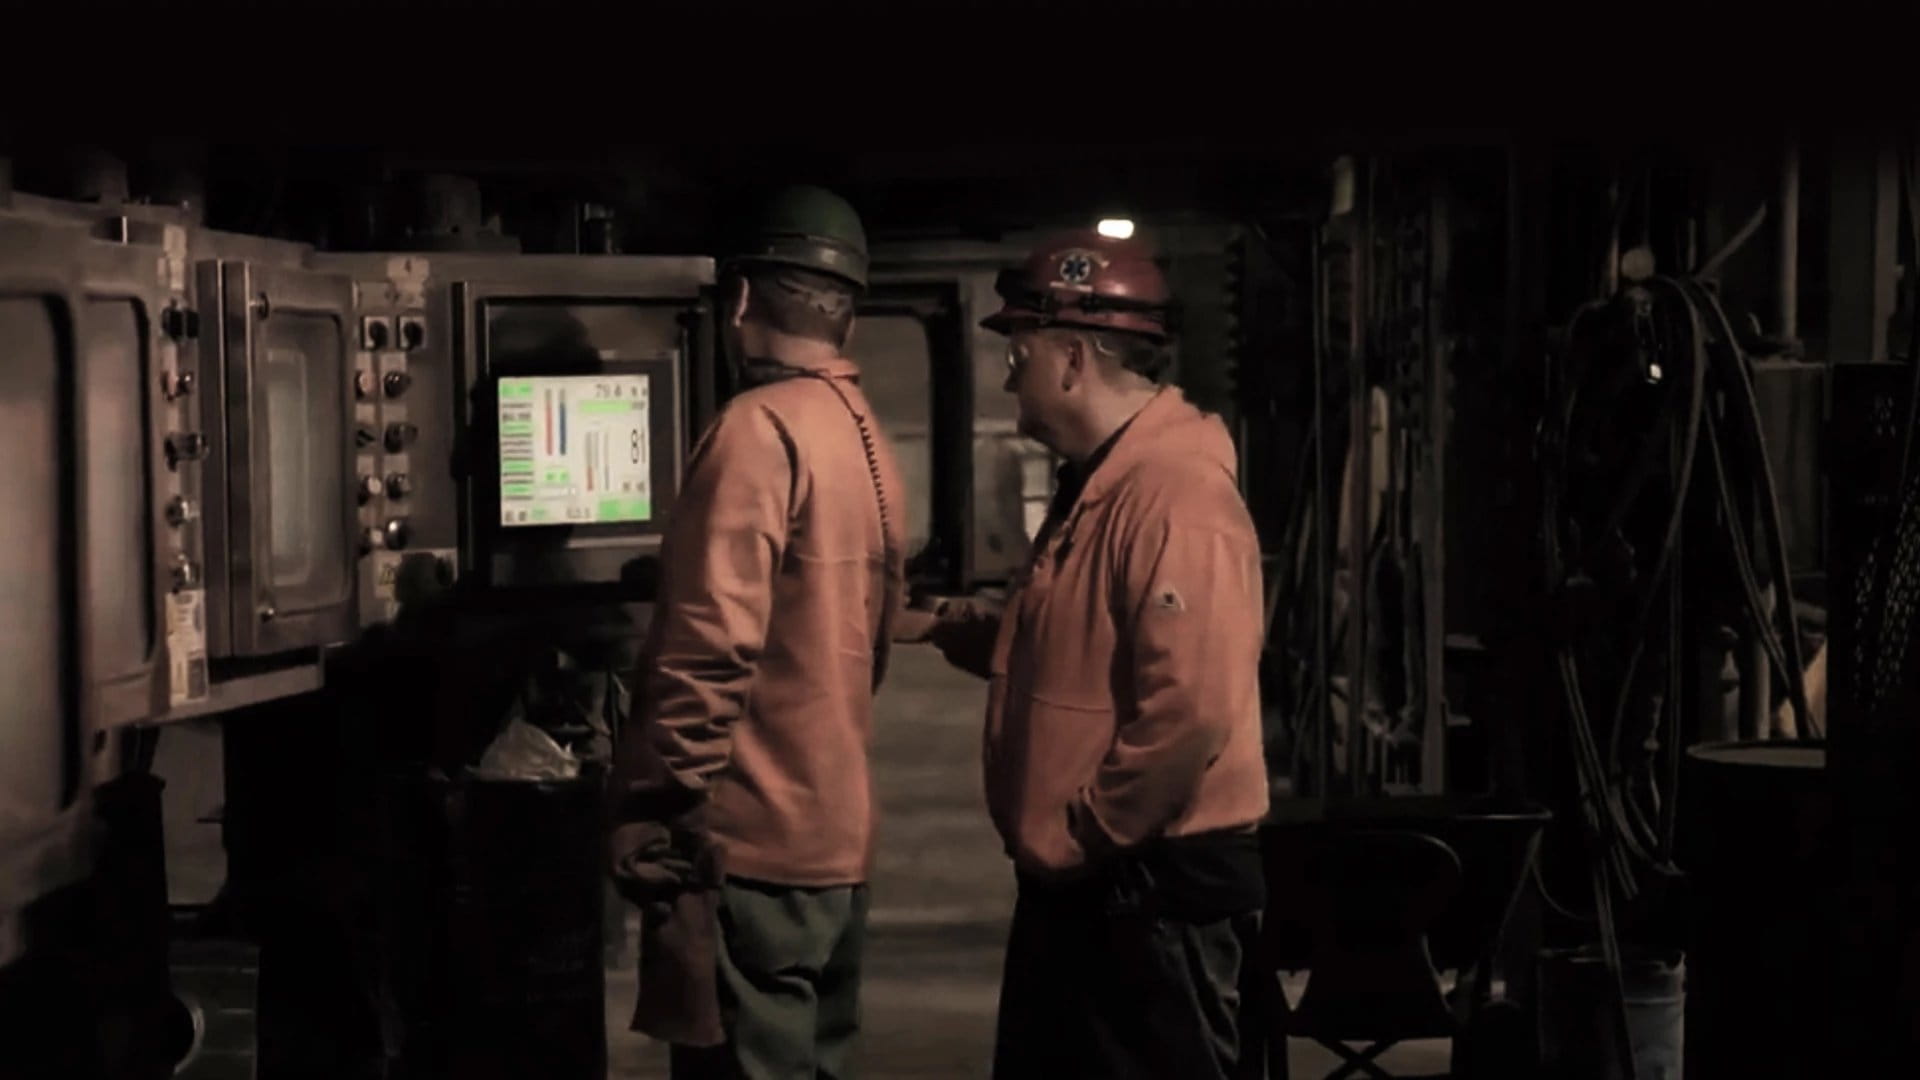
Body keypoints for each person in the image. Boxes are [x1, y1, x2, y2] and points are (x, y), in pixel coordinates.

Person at [897, 229, 1271, 1079]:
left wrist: (1085, 832)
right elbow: (1073, 644)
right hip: (1092, 886)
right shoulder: (1097, 488)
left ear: (1071, 359)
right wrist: (947, 626)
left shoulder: (1175, 496)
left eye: (1018, 354)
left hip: (1149, 890)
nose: (1008, 377)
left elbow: (1189, 711)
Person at [606, 185, 907, 1080]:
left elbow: (712, 644)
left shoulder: (755, 431)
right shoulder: (860, 434)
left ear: (738, 299)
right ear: (846, 312)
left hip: (751, 845)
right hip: (833, 836)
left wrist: (655, 804)